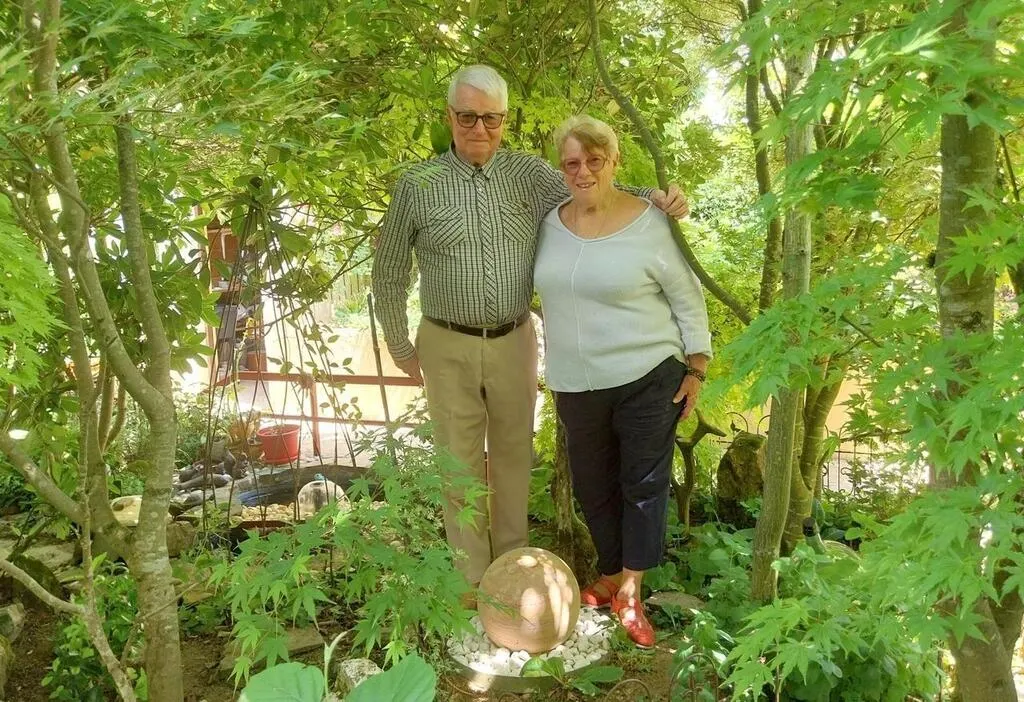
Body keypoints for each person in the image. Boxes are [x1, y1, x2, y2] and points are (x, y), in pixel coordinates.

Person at [371, 66, 690, 601]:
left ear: (504, 120)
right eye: (467, 117)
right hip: (445, 342)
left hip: (515, 339)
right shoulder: (417, 184)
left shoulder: (530, 175)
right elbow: (388, 272)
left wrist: (656, 198)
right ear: (449, 117)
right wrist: (400, 346)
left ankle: (511, 573)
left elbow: (593, 189)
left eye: (491, 118)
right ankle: (470, 584)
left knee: (514, 457)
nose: (480, 128)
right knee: (458, 463)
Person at [533, 115, 712, 647]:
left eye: (595, 160)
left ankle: (632, 589)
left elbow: (686, 296)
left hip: (648, 375)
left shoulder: (651, 223)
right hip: (575, 382)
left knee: (643, 484)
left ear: (614, 162)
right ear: (561, 169)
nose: (583, 171)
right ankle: (611, 574)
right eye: (572, 163)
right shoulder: (548, 224)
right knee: (592, 483)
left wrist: (697, 366)